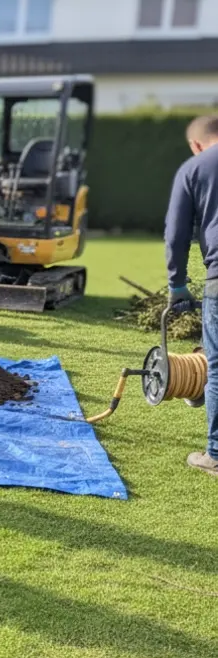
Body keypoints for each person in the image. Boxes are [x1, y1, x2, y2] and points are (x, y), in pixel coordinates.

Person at [165, 114, 218, 475]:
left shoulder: (195, 168)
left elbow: (176, 233)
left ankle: (215, 453)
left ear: (196, 144)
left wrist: (177, 284)